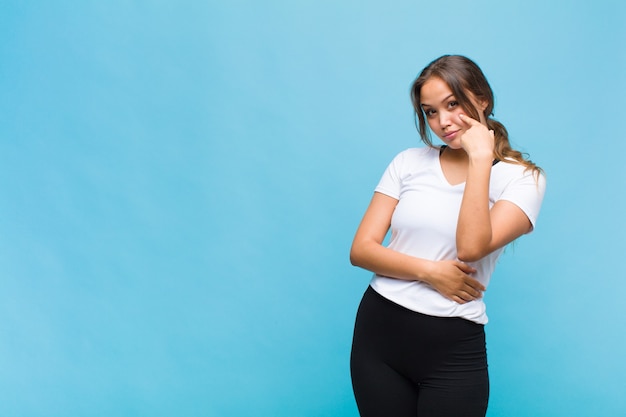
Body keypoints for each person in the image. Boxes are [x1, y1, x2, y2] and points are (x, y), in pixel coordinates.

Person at [349, 55, 546, 417]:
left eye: (452, 104)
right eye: (430, 112)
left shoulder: (523, 180)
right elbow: (361, 250)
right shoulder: (408, 162)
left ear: (482, 99)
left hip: (452, 349)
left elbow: (470, 248)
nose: (443, 122)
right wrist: (430, 271)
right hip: (379, 336)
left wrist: (481, 159)